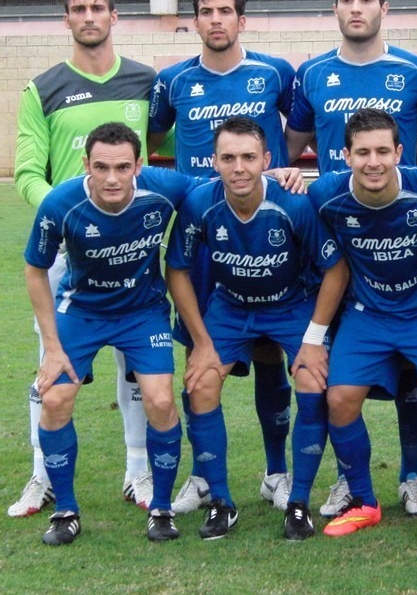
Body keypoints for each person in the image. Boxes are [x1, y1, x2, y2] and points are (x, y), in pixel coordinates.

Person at [285, 0, 417, 518]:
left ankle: (412, 476)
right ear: (335, 8)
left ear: (384, 7)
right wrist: (284, 174)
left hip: (404, 237)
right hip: (338, 235)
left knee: (412, 367)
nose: (356, 8)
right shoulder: (312, 74)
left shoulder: (415, 71)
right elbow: (290, 147)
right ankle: (347, 479)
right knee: (338, 367)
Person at [148, 0, 299, 516]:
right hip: (202, 235)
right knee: (200, 354)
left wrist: (284, 171)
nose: (216, 20)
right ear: (194, 21)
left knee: (268, 351)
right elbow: (153, 141)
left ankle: (276, 472)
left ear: (242, 20)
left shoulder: (275, 73)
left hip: (260, 232)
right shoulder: (172, 81)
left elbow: (298, 132)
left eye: (226, 11)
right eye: (206, 11)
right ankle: (203, 474)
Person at [10, 0, 156, 519]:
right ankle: (42, 476)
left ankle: (138, 471)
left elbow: (163, 154)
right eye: (79, 9)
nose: (89, 17)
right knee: (52, 363)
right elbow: (27, 171)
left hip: (134, 250)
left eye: (98, 8)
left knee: (137, 365)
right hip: (65, 253)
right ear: (66, 18)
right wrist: (67, 216)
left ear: (114, 16)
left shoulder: (146, 82)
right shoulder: (42, 88)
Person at [165, 117, 348, 541]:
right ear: (214, 162)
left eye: (248, 157)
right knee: (200, 384)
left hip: (290, 306)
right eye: (228, 158)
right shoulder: (200, 203)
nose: (239, 168)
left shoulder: (293, 203)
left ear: (266, 160)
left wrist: (313, 340)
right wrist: (202, 343)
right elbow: (177, 270)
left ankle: (298, 502)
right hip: (230, 307)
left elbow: (335, 268)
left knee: (313, 381)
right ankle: (221, 502)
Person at [25, 122, 195, 545]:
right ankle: (65, 510)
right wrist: (51, 347)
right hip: (81, 311)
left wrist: (277, 175)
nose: (112, 178)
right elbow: (35, 270)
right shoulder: (60, 204)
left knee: (160, 400)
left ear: (139, 165)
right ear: (86, 164)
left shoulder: (164, 189)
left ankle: (161, 508)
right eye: (101, 167)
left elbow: (221, 186)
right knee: (55, 399)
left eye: (122, 167)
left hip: (142, 312)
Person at [307, 108, 417, 541]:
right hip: (369, 313)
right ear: (346, 156)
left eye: (383, 151)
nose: (373, 162)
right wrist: (282, 176)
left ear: (400, 152)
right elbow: (290, 202)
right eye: (362, 153)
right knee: (339, 399)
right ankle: (363, 502)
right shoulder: (325, 194)